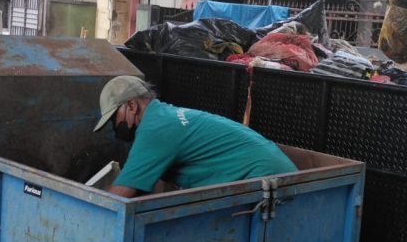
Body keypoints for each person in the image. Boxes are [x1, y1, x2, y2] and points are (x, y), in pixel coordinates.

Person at [93, 75, 297, 198]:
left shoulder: (155, 129)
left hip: (269, 180)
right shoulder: (162, 116)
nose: (114, 126)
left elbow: (118, 198)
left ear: (131, 106)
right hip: (276, 172)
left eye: (114, 118)